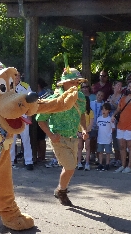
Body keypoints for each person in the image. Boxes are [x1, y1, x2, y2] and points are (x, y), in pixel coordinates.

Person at [36, 67, 87, 206]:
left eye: (78, 82)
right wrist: (51, 136)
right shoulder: (55, 99)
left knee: (70, 167)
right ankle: (62, 191)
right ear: (65, 83)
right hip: (59, 138)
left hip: (73, 138)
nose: (77, 85)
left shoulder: (81, 97)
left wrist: (84, 129)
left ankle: (60, 189)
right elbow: (40, 119)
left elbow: (82, 114)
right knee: (70, 167)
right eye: (74, 82)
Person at [113, 80, 131, 173]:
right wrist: (113, 116)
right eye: (129, 87)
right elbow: (118, 109)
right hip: (121, 125)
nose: (130, 88)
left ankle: (129, 166)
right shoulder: (123, 98)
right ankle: (123, 165)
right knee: (121, 146)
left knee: (130, 146)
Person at [9, 71, 34, 169]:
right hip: (11, 116)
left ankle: (29, 161)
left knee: (26, 138)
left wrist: (30, 115)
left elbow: (31, 101)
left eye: (18, 76)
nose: (17, 78)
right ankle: (10, 161)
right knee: (12, 139)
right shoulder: (8, 87)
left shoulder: (25, 86)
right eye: (15, 76)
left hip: (24, 115)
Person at [106, 80, 125, 166]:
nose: (119, 87)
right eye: (118, 85)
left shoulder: (122, 97)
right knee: (113, 139)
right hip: (110, 120)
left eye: (121, 86)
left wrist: (111, 102)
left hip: (118, 119)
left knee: (118, 139)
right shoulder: (110, 96)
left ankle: (120, 159)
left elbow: (120, 108)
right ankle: (115, 157)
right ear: (114, 86)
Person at [77, 90, 93, 171]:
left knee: (87, 148)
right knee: (79, 148)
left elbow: (91, 123)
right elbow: (76, 123)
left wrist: (86, 132)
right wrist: (78, 132)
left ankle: (87, 163)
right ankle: (79, 163)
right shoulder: (78, 112)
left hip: (87, 132)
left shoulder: (90, 112)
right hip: (79, 132)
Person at [95, 103, 115, 171]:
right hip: (100, 138)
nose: (104, 111)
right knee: (100, 152)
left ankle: (107, 164)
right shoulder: (99, 119)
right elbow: (98, 127)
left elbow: (113, 128)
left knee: (107, 152)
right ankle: (100, 164)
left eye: (105, 110)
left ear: (108, 111)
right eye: (103, 109)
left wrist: (110, 134)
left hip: (107, 139)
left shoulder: (110, 119)